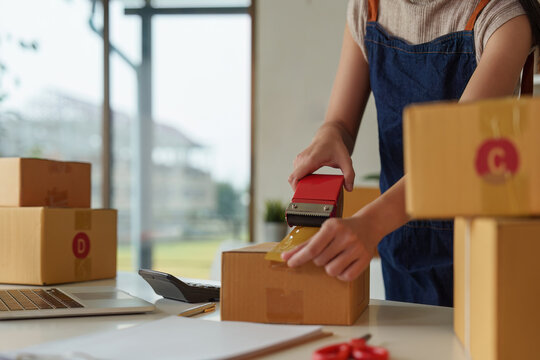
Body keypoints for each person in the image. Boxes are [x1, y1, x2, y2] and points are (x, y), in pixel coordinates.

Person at [282, 0, 540, 307]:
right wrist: (329, 135)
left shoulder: (503, 15)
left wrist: (370, 224)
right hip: (401, 246)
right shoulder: (369, 8)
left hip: (483, 251)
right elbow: (339, 123)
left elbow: (458, 152)